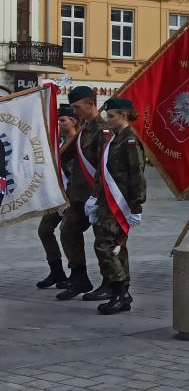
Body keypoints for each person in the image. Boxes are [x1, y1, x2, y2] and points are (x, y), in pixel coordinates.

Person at [86, 98, 146, 314]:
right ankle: (120, 291)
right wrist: (94, 198)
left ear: (124, 115)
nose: (108, 120)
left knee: (106, 246)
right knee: (116, 247)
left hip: (120, 203)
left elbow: (137, 175)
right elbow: (103, 173)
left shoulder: (130, 141)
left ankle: (121, 291)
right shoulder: (115, 139)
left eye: (111, 116)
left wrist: (137, 206)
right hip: (107, 201)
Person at [56, 86, 108, 301]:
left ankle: (112, 283)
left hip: (97, 196)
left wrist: (97, 196)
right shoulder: (83, 130)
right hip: (77, 194)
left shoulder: (104, 131)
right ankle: (79, 278)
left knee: (104, 240)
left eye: (77, 107)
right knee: (68, 231)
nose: (75, 112)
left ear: (90, 104)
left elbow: (105, 167)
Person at [36, 105, 79, 289]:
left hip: (73, 196)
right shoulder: (60, 143)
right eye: (58, 120)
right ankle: (56, 271)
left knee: (68, 233)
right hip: (57, 196)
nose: (59, 123)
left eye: (63, 120)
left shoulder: (79, 142)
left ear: (73, 121)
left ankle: (77, 273)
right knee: (44, 230)